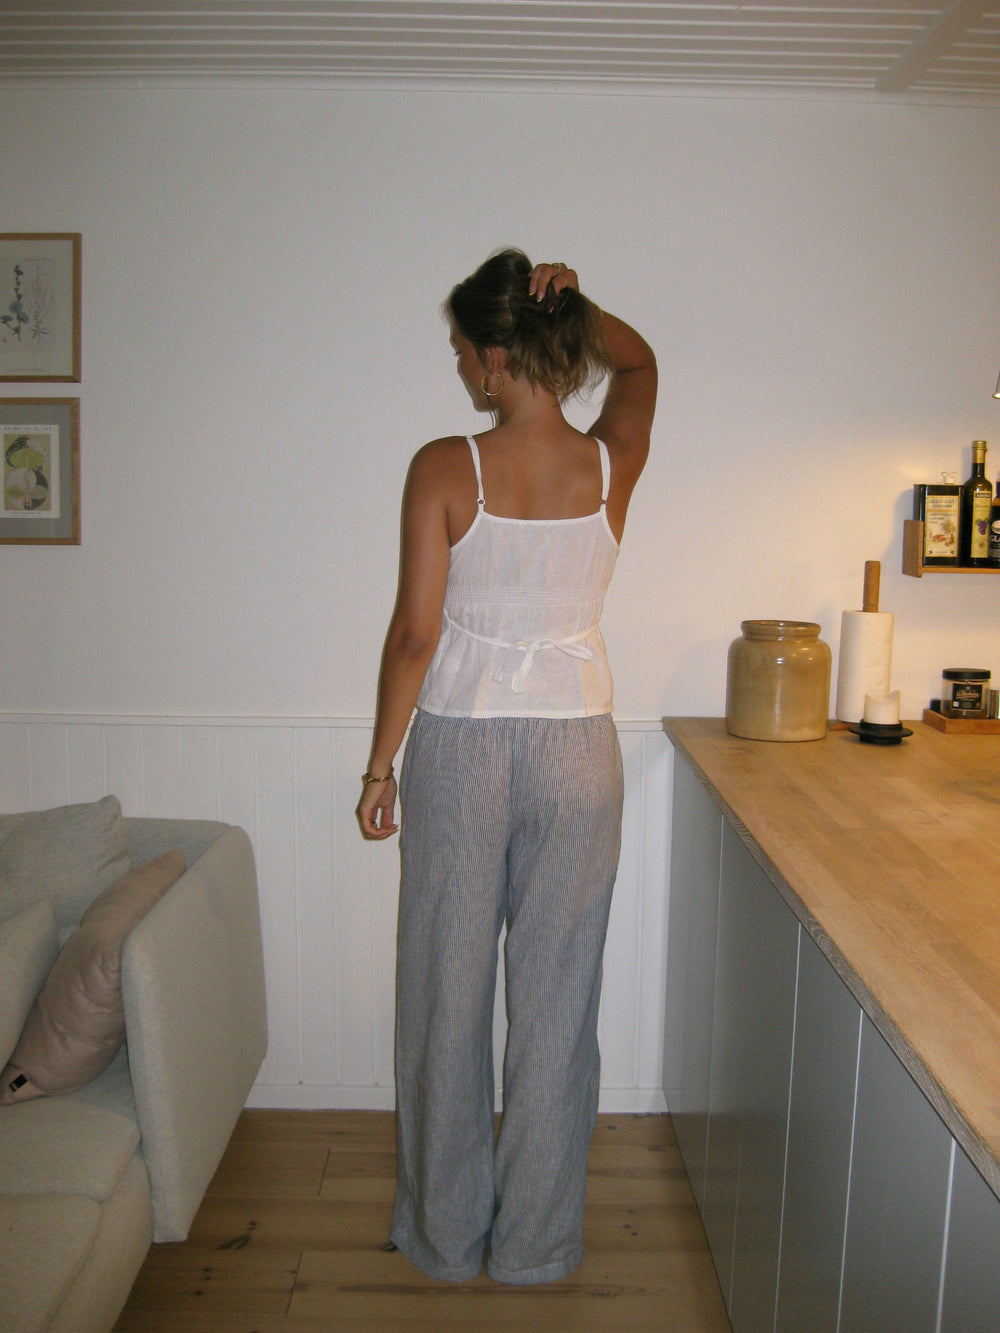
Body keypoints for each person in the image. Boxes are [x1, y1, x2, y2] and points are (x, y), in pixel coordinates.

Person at [356, 248, 656, 1286]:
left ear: (494, 355)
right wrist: (576, 307)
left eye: (462, 351)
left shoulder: (446, 465)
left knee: (446, 989)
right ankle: (534, 1245)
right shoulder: (609, 462)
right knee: (558, 999)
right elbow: (641, 364)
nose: (460, 369)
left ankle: (446, 1237)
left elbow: (414, 636)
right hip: (579, 750)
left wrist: (379, 767)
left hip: (463, 744)